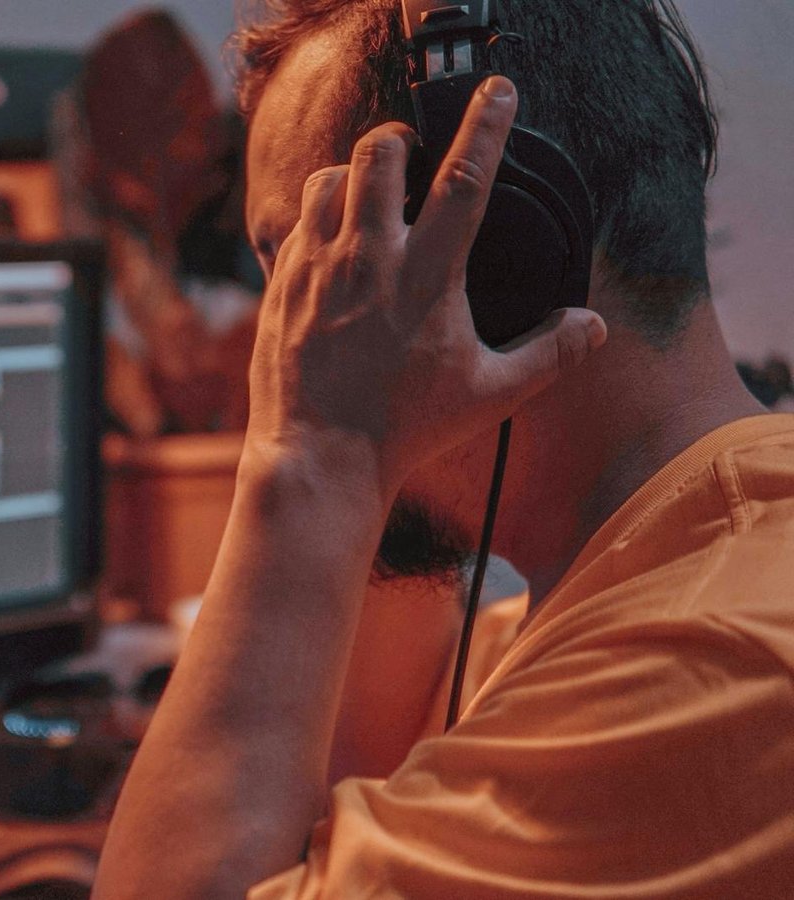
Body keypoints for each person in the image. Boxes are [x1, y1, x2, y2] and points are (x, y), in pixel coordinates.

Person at [96, 1, 794, 897]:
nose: (287, 336)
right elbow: (338, 778)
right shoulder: (657, 568)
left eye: (313, 268)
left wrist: (317, 450)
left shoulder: (709, 661)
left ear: (503, 254)